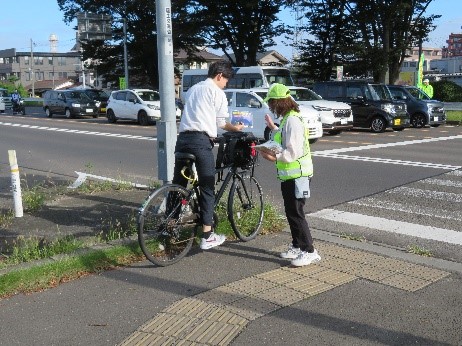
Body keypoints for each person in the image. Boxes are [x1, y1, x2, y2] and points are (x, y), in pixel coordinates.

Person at [173, 60, 244, 250]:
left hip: (182, 140)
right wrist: (235, 128)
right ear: (220, 75)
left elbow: (195, 111)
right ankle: (207, 235)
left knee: (178, 184)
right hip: (200, 141)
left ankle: (170, 224)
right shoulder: (217, 92)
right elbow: (221, 122)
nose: (226, 84)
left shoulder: (194, 89)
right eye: (226, 81)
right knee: (207, 186)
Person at [259, 83, 321, 267]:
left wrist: (272, 156)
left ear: (279, 102)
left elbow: (291, 152)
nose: (270, 106)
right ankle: (296, 245)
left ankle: (309, 251)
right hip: (290, 175)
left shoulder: (292, 120)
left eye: (271, 103)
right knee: (291, 212)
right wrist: (273, 127)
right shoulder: (288, 119)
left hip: (298, 175)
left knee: (296, 213)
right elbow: (284, 138)